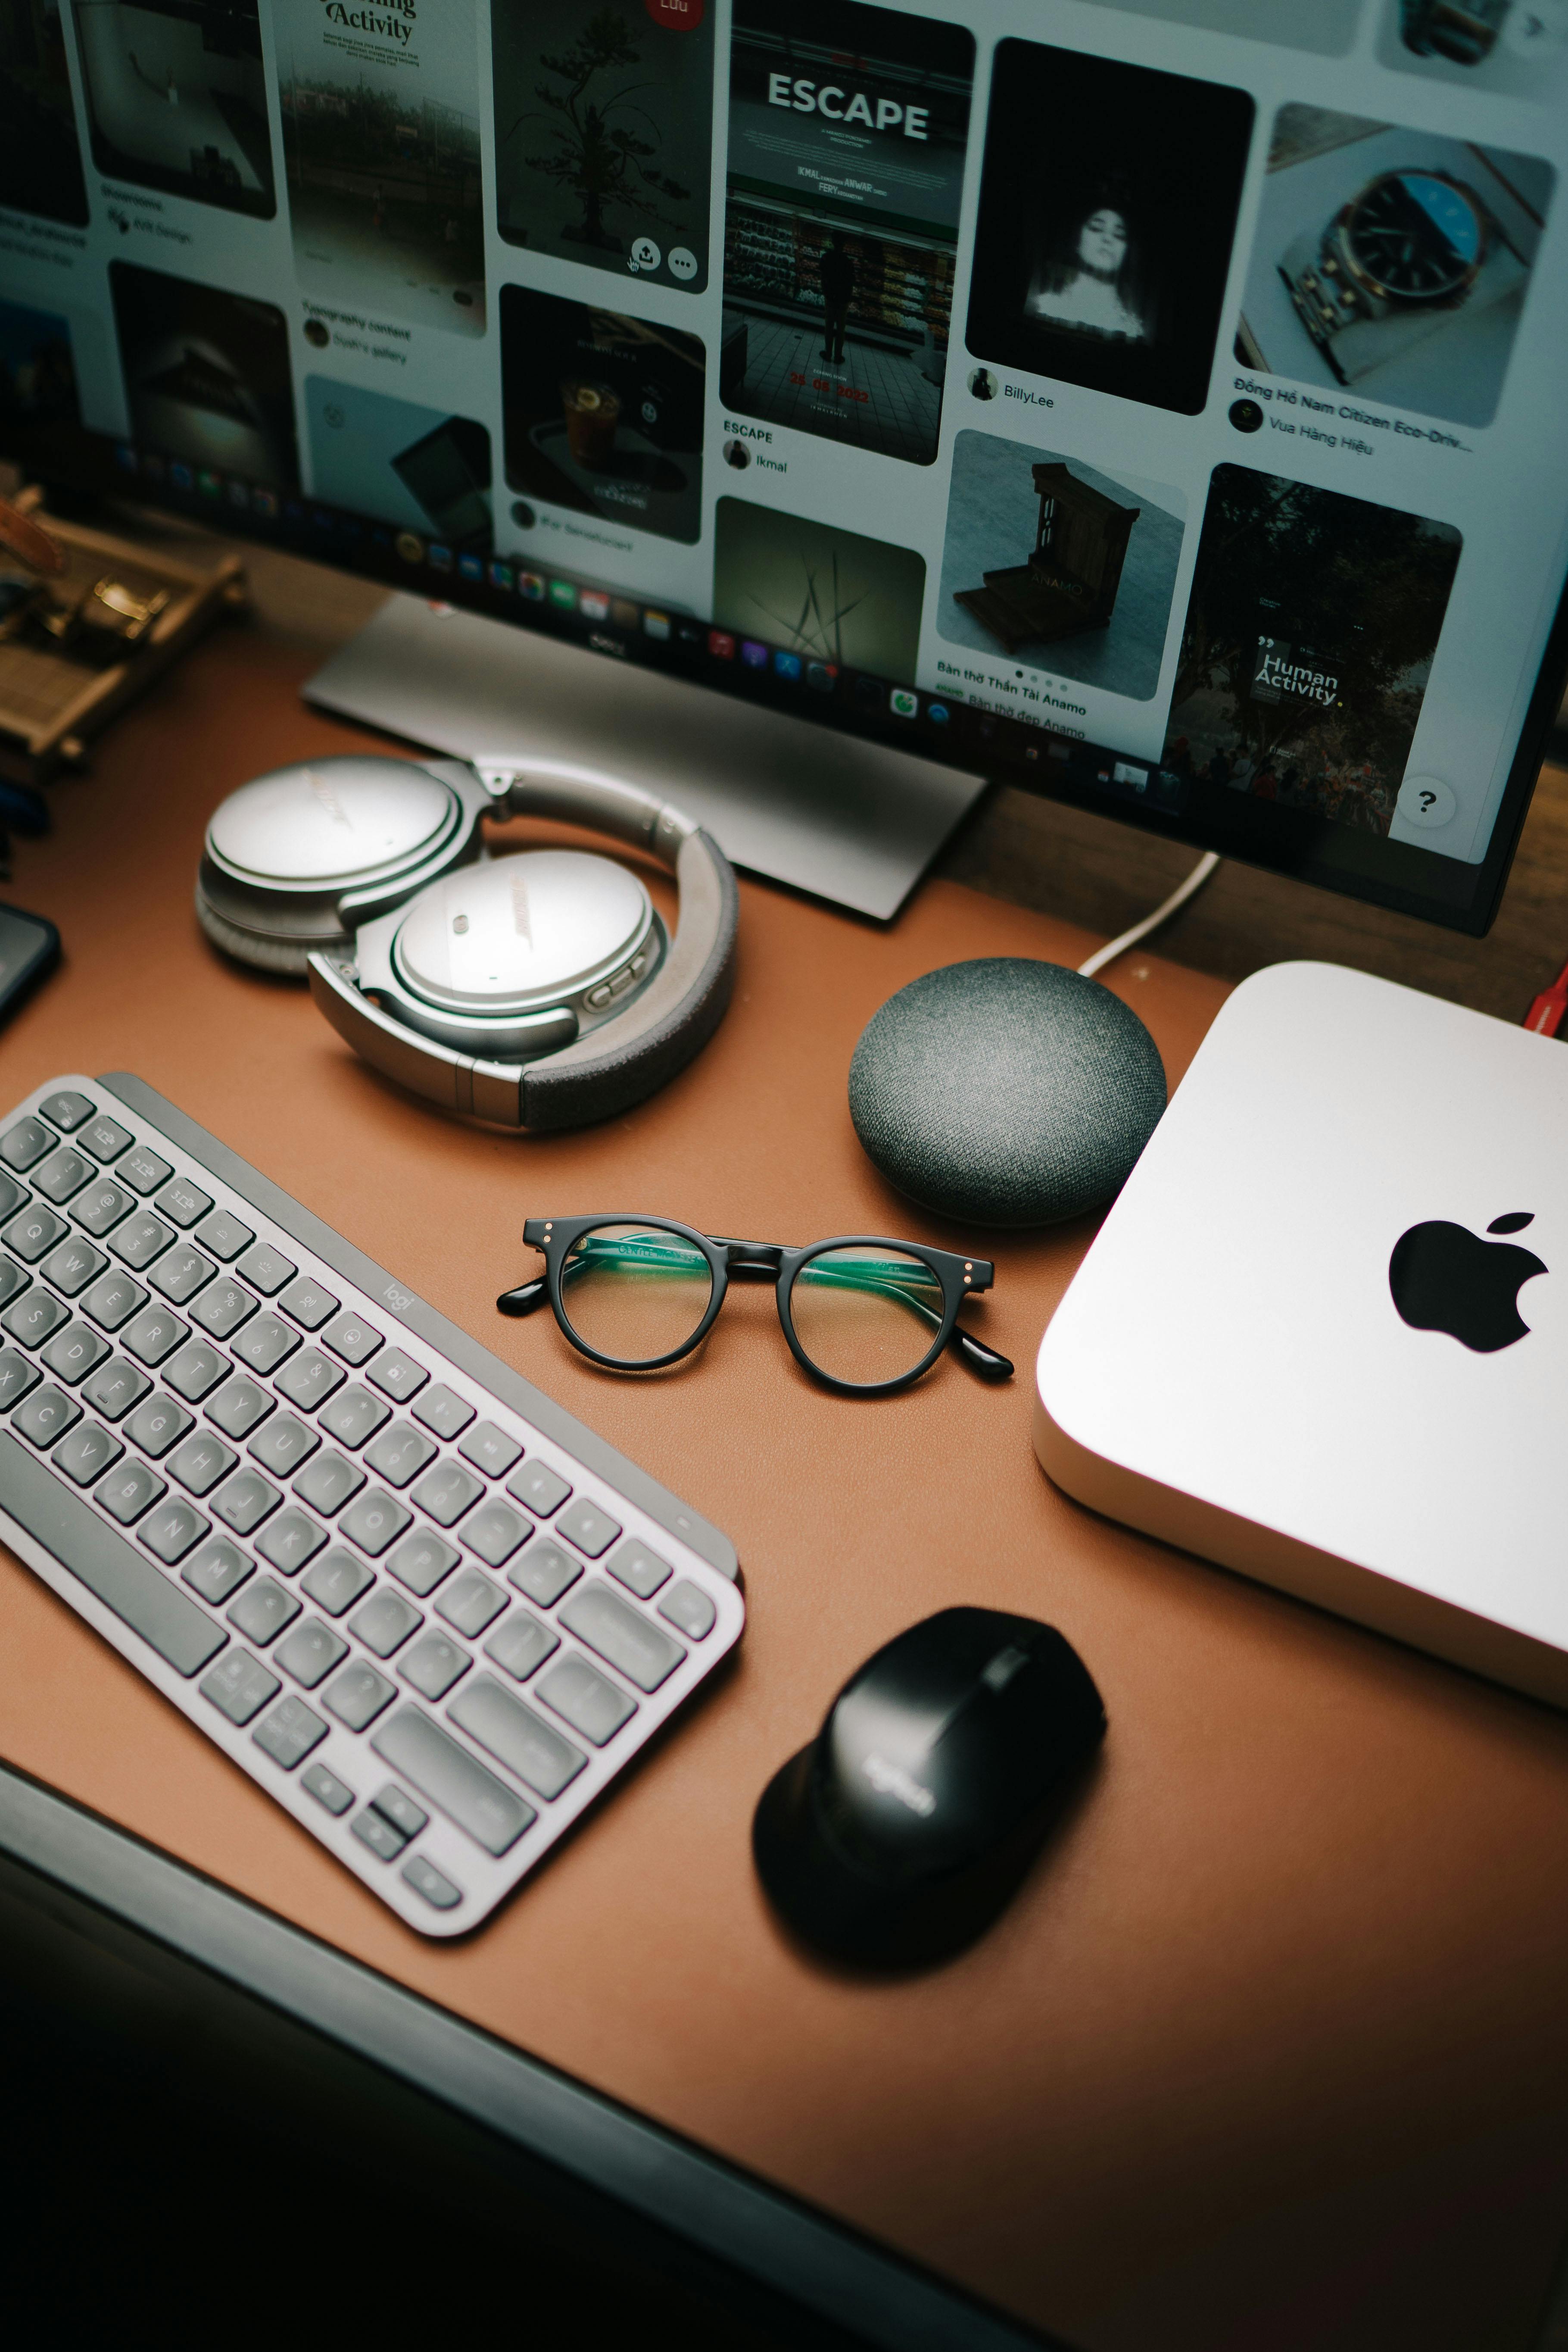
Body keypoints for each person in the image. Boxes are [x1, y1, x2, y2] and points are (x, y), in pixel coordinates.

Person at [1025, 194, 1149, 342]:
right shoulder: (1043, 306)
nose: (1108, 239)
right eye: (1097, 228)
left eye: (1119, 235)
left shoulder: (1134, 330)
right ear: (1078, 240)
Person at [818, 232, 855, 366]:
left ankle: (828, 354)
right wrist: (848, 299)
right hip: (843, 299)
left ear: (833, 243)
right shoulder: (848, 262)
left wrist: (826, 291)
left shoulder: (826, 257)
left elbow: (823, 276)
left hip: (830, 297)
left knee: (829, 326)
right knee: (841, 329)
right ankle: (838, 356)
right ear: (844, 245)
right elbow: (851, 282)